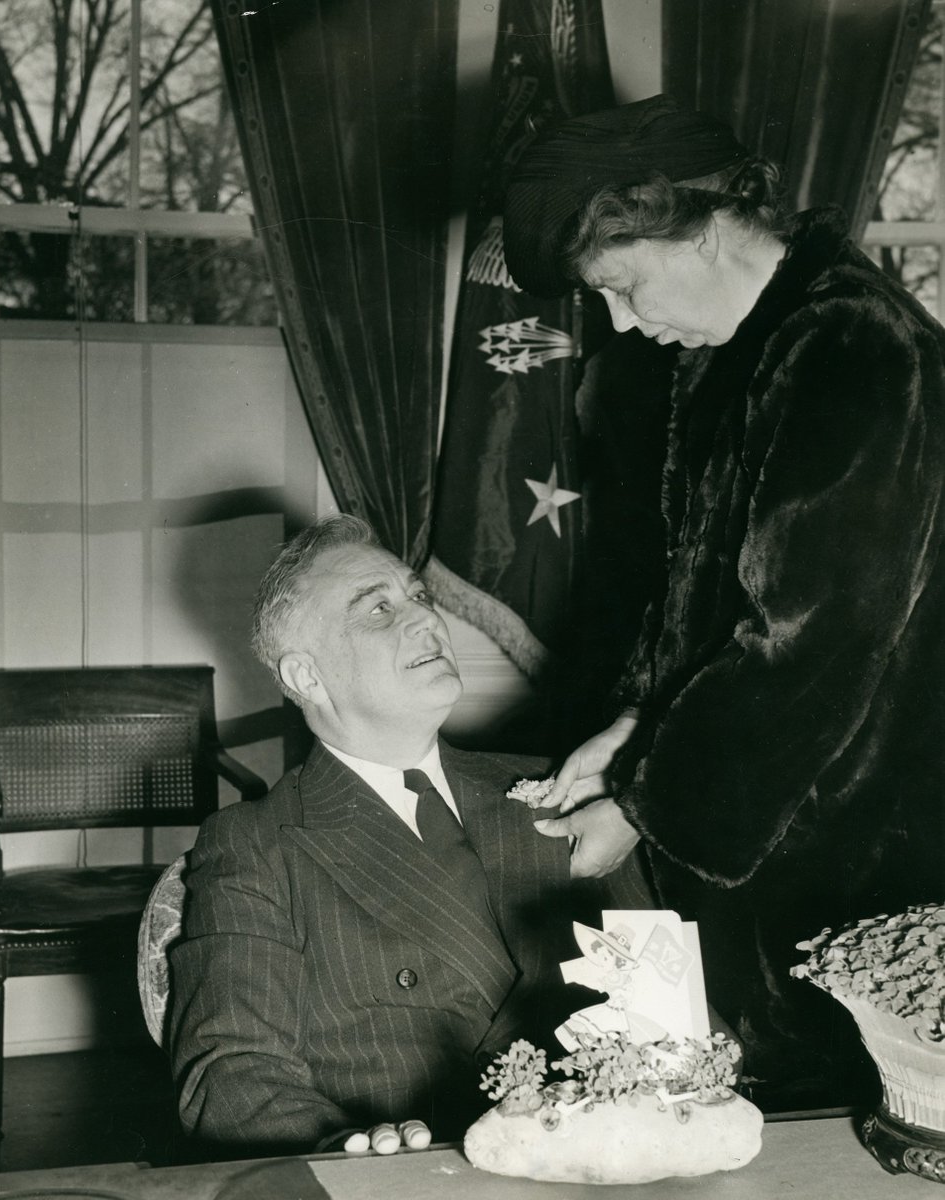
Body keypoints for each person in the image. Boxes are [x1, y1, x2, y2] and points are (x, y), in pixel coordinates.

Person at [501, 94, 945, 1106]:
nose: (621, 322)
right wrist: (631, 730)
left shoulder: (850, 345)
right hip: (783, 824)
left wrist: (645, 808)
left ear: (695, 226)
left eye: (620, 286)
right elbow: (706, 597)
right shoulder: (743, 346)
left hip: (863, 847)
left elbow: (809, 641)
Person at [169, 515, 650, 1158]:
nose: (426, 618)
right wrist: (345, 1149)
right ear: (307, 677)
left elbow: (666, 995)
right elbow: (230, 1069)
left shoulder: (562, 786)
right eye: (378, 609)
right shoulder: (257, 843)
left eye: (418, 595)